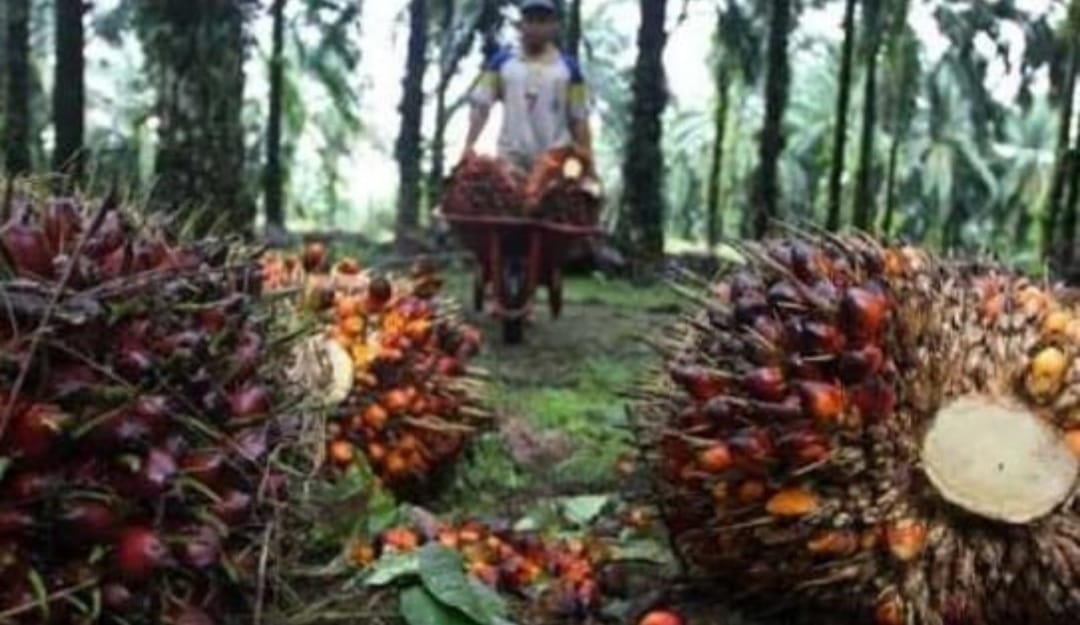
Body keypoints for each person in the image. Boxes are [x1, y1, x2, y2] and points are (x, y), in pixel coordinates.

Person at [461, 0, 593, 176]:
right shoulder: (502, 63)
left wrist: (589, 164)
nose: (535, 27)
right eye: (530, 21)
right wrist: (468, 146)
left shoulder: (569, 69)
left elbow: (579, 119)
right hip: (511, 162)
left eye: (542, 21)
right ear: (520, 25)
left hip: (556, 162)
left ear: (554, 26)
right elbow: (481, 107)